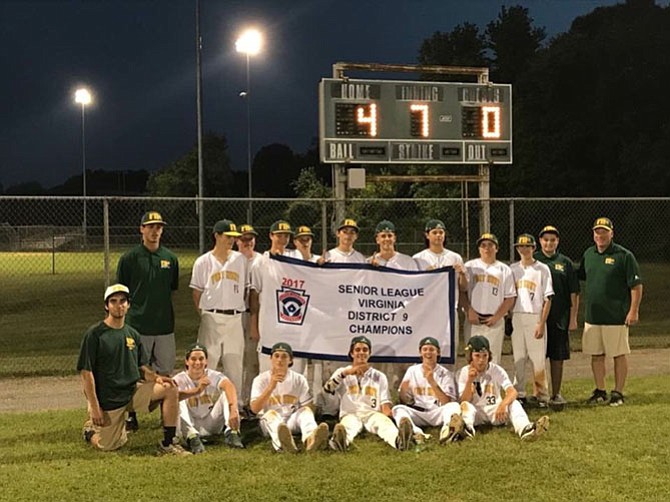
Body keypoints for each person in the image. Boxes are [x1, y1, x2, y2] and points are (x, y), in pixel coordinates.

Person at [77, 284, 190, 455]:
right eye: (113, 301)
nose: (119, 305)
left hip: (132, 391)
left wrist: (156, 378)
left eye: (123, 301)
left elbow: (140, 367)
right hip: (109, 398)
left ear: (128, 305)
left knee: (170, 389)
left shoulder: (132, 334)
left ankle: (168, 443)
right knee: (109, 446)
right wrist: (94, 406)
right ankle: (89, 431)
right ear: (106, 306)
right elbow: (86, 373)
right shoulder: (95, 334)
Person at [116, 211, 179, 431]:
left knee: (164, 371)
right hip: (137, 326)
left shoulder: (170, 258)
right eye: (150, 226)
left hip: (164, 326)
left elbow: (171, 289)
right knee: (135, 372)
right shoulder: (130, 258)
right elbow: (122, 292)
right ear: (141, 229)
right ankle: (131, 414)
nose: (155, 231)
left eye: (158, 227)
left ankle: (166, 414)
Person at [578, 217, 643, 407]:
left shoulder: (623, 255)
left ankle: (618, 392)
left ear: (611, 233)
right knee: (596, 354)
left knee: (618, 354)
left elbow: (636, 285)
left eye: (604, 231)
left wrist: (633, 310)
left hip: (615, 316)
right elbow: (580, 275)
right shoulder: (589, 253)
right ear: (593, 234)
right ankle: (600, 390)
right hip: (593, 316)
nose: (600, 235)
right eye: (597, 232)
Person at [323, 336, 414, 452]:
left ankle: (399, 441)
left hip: (372, 413)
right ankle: (339, 441)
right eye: (357, 350)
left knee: (384, 424)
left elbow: (384, 403)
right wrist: (344, 374)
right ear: (351, 353)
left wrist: (393, 417)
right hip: (350, 413)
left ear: (369, 354)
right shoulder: (342, 372)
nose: (361, 352)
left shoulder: (379, 376)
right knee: (348, 426)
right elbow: (327, 390)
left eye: (365, 350)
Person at [189, 219, 247, 400]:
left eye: (233, 237)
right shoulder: (203, 262)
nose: (231, 240)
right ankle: (204, 402)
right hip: (211, 317)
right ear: (216, 236)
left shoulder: (240, 259)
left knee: (234, 363)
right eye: (227, 236)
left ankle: (234, 406)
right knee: (208, 363)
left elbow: (245, 289)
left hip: (235, 318)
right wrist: (205, 314)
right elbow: (196, 292)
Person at [456, 336, 549, 441]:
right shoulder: (463, 372)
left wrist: (503, 404)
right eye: (477, 356)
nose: (481, 360)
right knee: (466, 406)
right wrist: (469, 381)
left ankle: (524, 429)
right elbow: (463, 400)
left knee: (514, 403)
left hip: (496, 411)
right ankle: (467, 430)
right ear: (470, 356)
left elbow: (512, 392)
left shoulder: (496, 370)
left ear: (489, 355)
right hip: (476, 413)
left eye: (485, 356)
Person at [250, 342, 329, 453]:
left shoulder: (298, 379)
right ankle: (284, 444)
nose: (279, 360)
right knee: (270, 415)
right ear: (271, 359)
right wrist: (271, 387)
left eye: (284, 356)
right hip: (269, 422)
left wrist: (304, 417)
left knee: (305, 411)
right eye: (276, 356)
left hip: (291, 419)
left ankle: (311, 440)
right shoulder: (260, 380)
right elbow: (254, 409)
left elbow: (308, 406)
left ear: (290, 360)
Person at [534, 225, 580, 410]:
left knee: (557, 356)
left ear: (557, 241)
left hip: (559, 317)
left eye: (552, 240)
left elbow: (574, 292)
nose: (549, 243)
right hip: (537, 317)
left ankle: (556, 393)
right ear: (540, 241)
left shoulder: (565, 262)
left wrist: (573, 317)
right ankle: (539, 394)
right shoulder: (534, 260)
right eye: (545, 239)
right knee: (537, 357)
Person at [413, 219, 468, 365]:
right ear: (427, 235)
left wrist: (462, 274)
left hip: (449, 310)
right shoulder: (419, 258)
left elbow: (463, 288)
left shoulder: (454, 257)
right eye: (434, 232)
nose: (438, 236)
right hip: (427, 311)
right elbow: (412, 288)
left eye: (441, 232)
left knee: (449, 349)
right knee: (426, 348)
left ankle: (447, 383)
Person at [249, 220, 301, 374]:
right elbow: (254, 295)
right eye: (279, 235)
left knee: (294, 363)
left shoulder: (296, 258)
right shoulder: (261, 262)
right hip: (268, 319)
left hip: (292, 317)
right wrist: (253, 325)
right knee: (267, 363)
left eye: (286, 236)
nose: (283, 239)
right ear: (271, 236)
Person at [173, 343, 244, 454]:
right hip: (188, 424)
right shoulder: (179, 379)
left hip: (210, 422)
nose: (197, 363)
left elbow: (229, 386)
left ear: (206, 361)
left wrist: (234, 409)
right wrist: (198, 389)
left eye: (201, 359)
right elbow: (171, 399)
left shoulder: (211, 375)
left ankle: (232, 433)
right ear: (187, 361)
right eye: (193, 359)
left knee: (227, 394)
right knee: (175, 397)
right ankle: (193, 439)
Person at [509, 234, 554, 406]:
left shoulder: (542, 269)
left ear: (534, 248)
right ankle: (519, 393)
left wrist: (541, 323)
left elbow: (548, 298)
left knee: (538, 358)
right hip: (517, 315)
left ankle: (542, 395)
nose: (524, 249)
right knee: (518, 357)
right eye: (521, 247)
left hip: (535, 315)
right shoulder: (513, 269)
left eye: (528, 246)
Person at [391, 337, 462, 444]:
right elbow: (404, 401)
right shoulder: (412, 370)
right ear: (420, 352)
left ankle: (448, 432)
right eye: (425, 349)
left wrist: (432, 382)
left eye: (431, 349)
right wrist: (403, 391)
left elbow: (447, 402)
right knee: (397, 409)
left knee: (454, 407)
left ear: (438, 352)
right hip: (419, 412)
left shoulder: (445, 373)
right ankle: (415, 433)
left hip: (438, 412)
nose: (428, 352)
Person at [462, 233, 516, 364]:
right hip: (473, 319)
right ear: (479, 249)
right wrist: (469, 311)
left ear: (496, 248)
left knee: (493, 359)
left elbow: (510, 297)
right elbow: (461, 291)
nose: (487, 248)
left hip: (494, 321)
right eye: (483, 245)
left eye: (491, 245)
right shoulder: (469, 266)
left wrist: (497, 316)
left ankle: (491, 385)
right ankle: (473, 385)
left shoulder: (504, 269)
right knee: (471, 359)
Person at [236, 223, 263, 414]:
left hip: (256, 313)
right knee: (237, 358)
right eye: (244, 239)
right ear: (237, 241)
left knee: (252, 359)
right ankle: (236, 400)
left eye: (250, 238)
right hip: (236, 314)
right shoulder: (232, 260)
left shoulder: (261, 260)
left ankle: (249, 400)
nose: (248, 242)